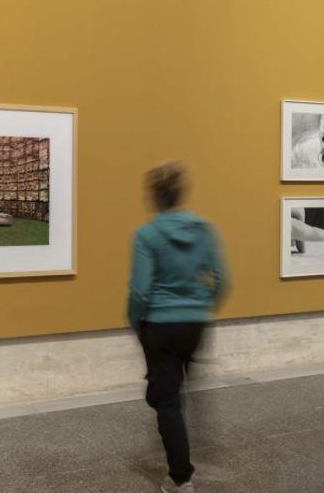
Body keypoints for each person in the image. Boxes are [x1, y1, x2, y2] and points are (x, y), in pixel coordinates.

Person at [128, 161, 230, 493]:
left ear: (155, 197)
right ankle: (177, 446)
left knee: (166, 399)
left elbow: (141, 290)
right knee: (175, 389)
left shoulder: (147, 234)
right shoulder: (204, 229)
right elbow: (223, 280)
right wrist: (201, 308)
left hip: (159, 323)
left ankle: (181, 478)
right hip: (194, 323)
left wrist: (135, 321)